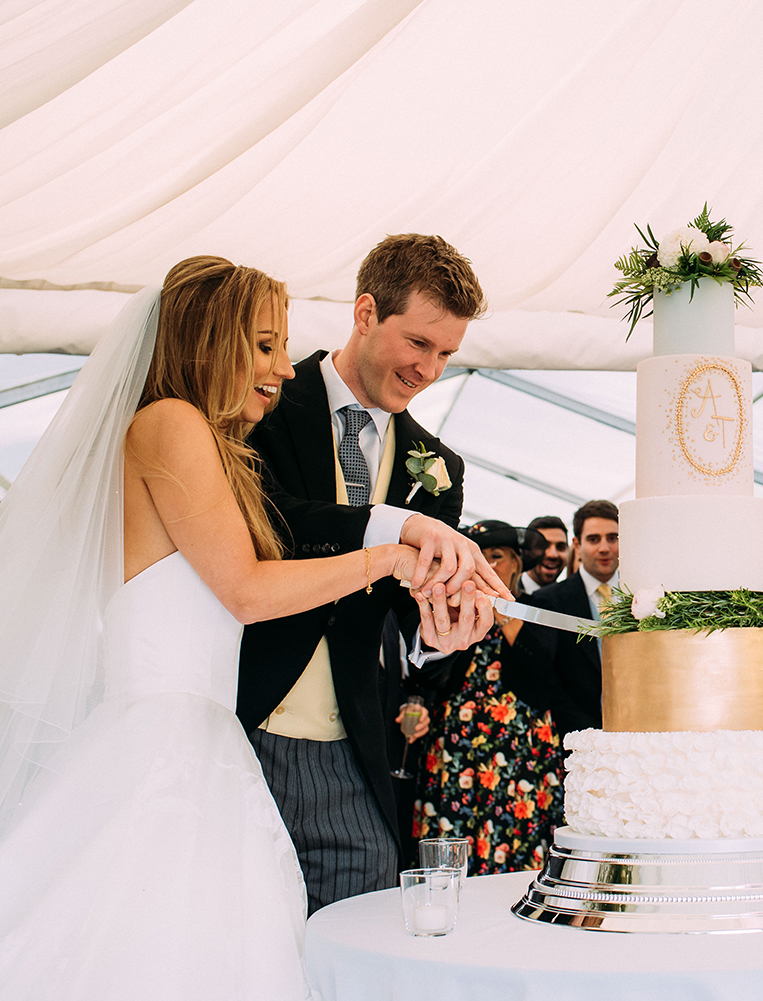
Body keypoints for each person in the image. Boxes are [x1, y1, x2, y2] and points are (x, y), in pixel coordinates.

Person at [0, 262, 457, 998]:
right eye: (266, 345)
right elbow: (244, 590)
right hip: (162, 744)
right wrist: (388, 557)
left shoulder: (207, 440)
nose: (283, 368)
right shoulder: (170, 423)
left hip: (200, 737)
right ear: (211, 340)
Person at [237, 233, 504, 914]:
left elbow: (410, 613)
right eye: (419, 343)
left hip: (352, 746)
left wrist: (443, 630)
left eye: (447, 353)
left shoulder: (440, 465)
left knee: (354, 936)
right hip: (241, 719)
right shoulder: (263, 405)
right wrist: (393, 525)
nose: (430, 369)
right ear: (364, 313)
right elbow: (271, 520)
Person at [415, 521, 565, 873]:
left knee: (517, 841)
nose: (487, 567)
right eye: (479, 558)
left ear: (516, 561)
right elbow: (428, 671)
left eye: (495, 557)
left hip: (520, 758)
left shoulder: (535, 606)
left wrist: (501, 607)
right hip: (458, 754)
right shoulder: (455, 610)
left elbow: (540, 664)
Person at [527, 500, 620, 734]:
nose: (604, 548)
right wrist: (587, 733)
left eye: (612, 538)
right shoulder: (549, 600)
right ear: (577, 545)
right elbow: (548, 679)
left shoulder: (643, 593)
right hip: (577, 736)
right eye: (593, 539)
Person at [519, 515, 569, 594]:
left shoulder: (572, 600)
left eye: (560, 547)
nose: (553, 555)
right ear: (526, 551)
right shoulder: (503, 595)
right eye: (542, 546)